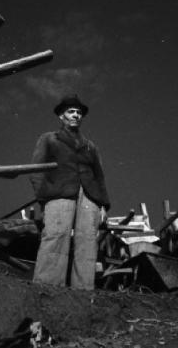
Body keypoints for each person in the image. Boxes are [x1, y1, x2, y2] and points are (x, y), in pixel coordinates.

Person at [30, 94, 110, 290]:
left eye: (79, 112)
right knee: (56, 235)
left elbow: (99, 176)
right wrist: (44, 197)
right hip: (59, 194)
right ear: (61, 116)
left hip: (89, 197)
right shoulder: (49, 139)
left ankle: (82, 292)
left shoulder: (90, 146)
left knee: (87, 242)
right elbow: (36, 170)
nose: (76, 115)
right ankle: (47, 288)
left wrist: (103, 205)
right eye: (71, 112)